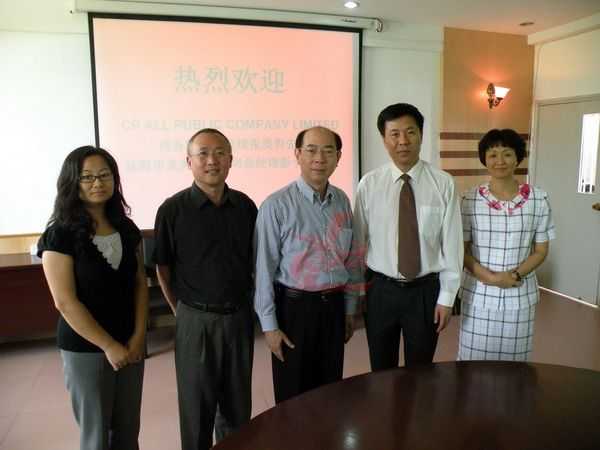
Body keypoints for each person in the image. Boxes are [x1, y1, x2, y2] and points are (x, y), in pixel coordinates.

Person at [38, 146, 148, 450]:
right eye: (87, 177)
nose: (97, 182)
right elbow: (65, 302)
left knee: (128, 432)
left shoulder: (127, 228)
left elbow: (140, 283)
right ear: (72, 183)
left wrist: (139, 336)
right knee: (96, 435)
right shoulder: (59, 235)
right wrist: (109, 346)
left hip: (130, 344)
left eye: (104, 175)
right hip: (86, 349)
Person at [153, 129, 257, 450]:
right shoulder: (172, 210)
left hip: (238, 318)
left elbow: (254, 262)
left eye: (220, 153)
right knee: (197, 409)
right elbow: (163, 268)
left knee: (237, 407)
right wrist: (182, 312)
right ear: (189, 161)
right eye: (203, 154)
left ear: (231, 160)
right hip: (194, 321)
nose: (212, 161)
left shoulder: (246, 207)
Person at [350, 103, 463, 371]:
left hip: (425, 292)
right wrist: (356, 294)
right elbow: (357, 244)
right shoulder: (369, 184)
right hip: (380, 290)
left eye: (410, 132)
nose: (403, 141)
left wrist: (447, 298)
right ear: (384, 139)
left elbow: (452, 245)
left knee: (421, 371)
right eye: (395, 134)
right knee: (381, 368)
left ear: (421, 135)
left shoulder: (443, 183)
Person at [254, 126, 356, 404]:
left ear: (338, 157)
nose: (319, 158)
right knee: (293, 397)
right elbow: (263, 270)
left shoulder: (342, 201)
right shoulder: (276, 205)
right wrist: (269, 327)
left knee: (330, 391)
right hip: (294, 310)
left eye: (328, 151)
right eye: (311, 150)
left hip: (333, 308)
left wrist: (349, 309)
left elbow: (350, 260)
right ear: (298, 154)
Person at [458, 129, 556, 361]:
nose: (500, 161)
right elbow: (462, 250)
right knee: (474, 362)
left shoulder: (538, 199)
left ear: (518, 158)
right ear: (484, 159)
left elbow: (541, 250)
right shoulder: (469, 199)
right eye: (493, 155)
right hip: (479, 294)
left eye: (507, 154)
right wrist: (492, 278)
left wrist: (513, 275)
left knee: (515, 363)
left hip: (519, 294)